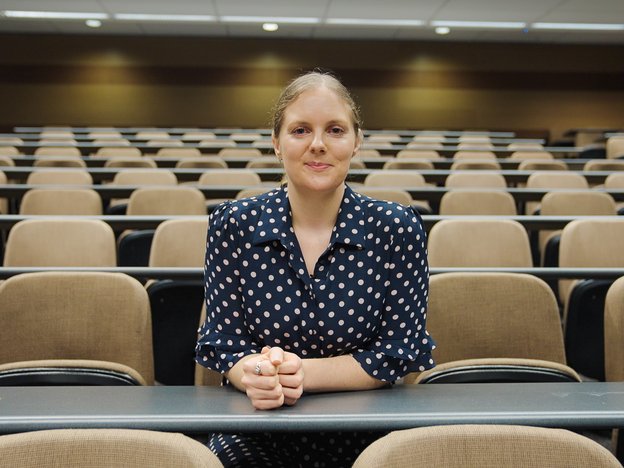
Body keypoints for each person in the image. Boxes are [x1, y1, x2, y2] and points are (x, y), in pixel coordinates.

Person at [196, 70, 435, 467]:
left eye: (336, 130)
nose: (318, 145)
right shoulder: (232, 224)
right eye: (301, 130)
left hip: (369, 430)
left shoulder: (398, 228)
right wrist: (253, 373)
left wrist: (300, 373)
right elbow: (224, 344)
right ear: (276, 143)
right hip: (260, 426)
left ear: (357, 142)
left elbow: (397, 351)